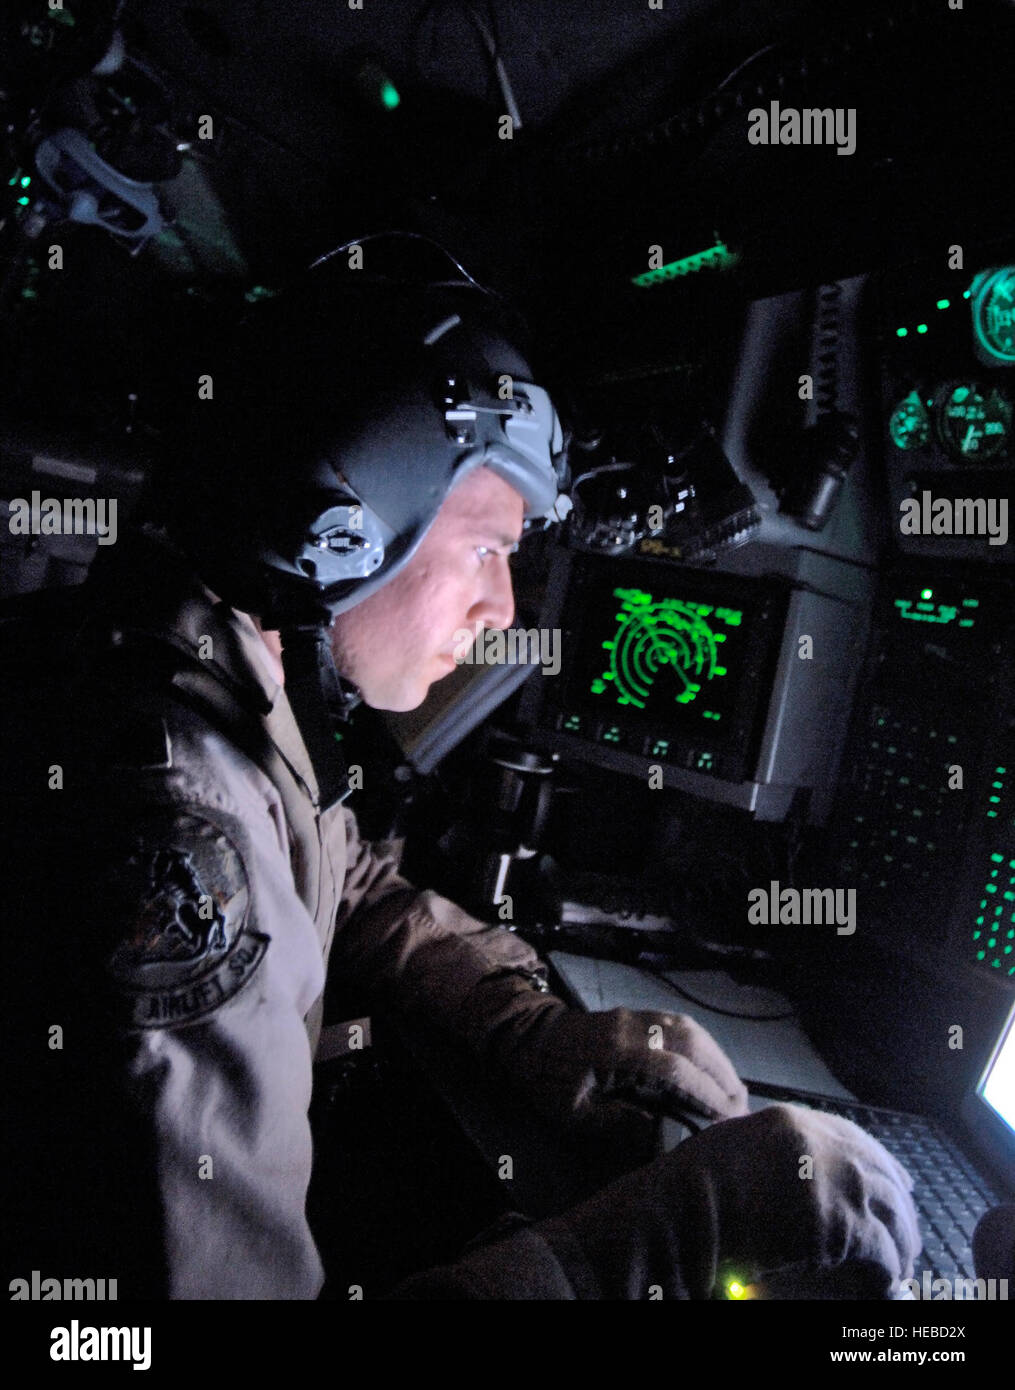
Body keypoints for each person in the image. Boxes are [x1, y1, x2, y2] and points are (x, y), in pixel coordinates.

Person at [2, 276, 920, 1300]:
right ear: (346, 518)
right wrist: (663, 1239)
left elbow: (340, 874)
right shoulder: (178, 821)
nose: (498, 609)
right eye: (486, 546)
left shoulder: (207, 658)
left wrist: (528, 1025)